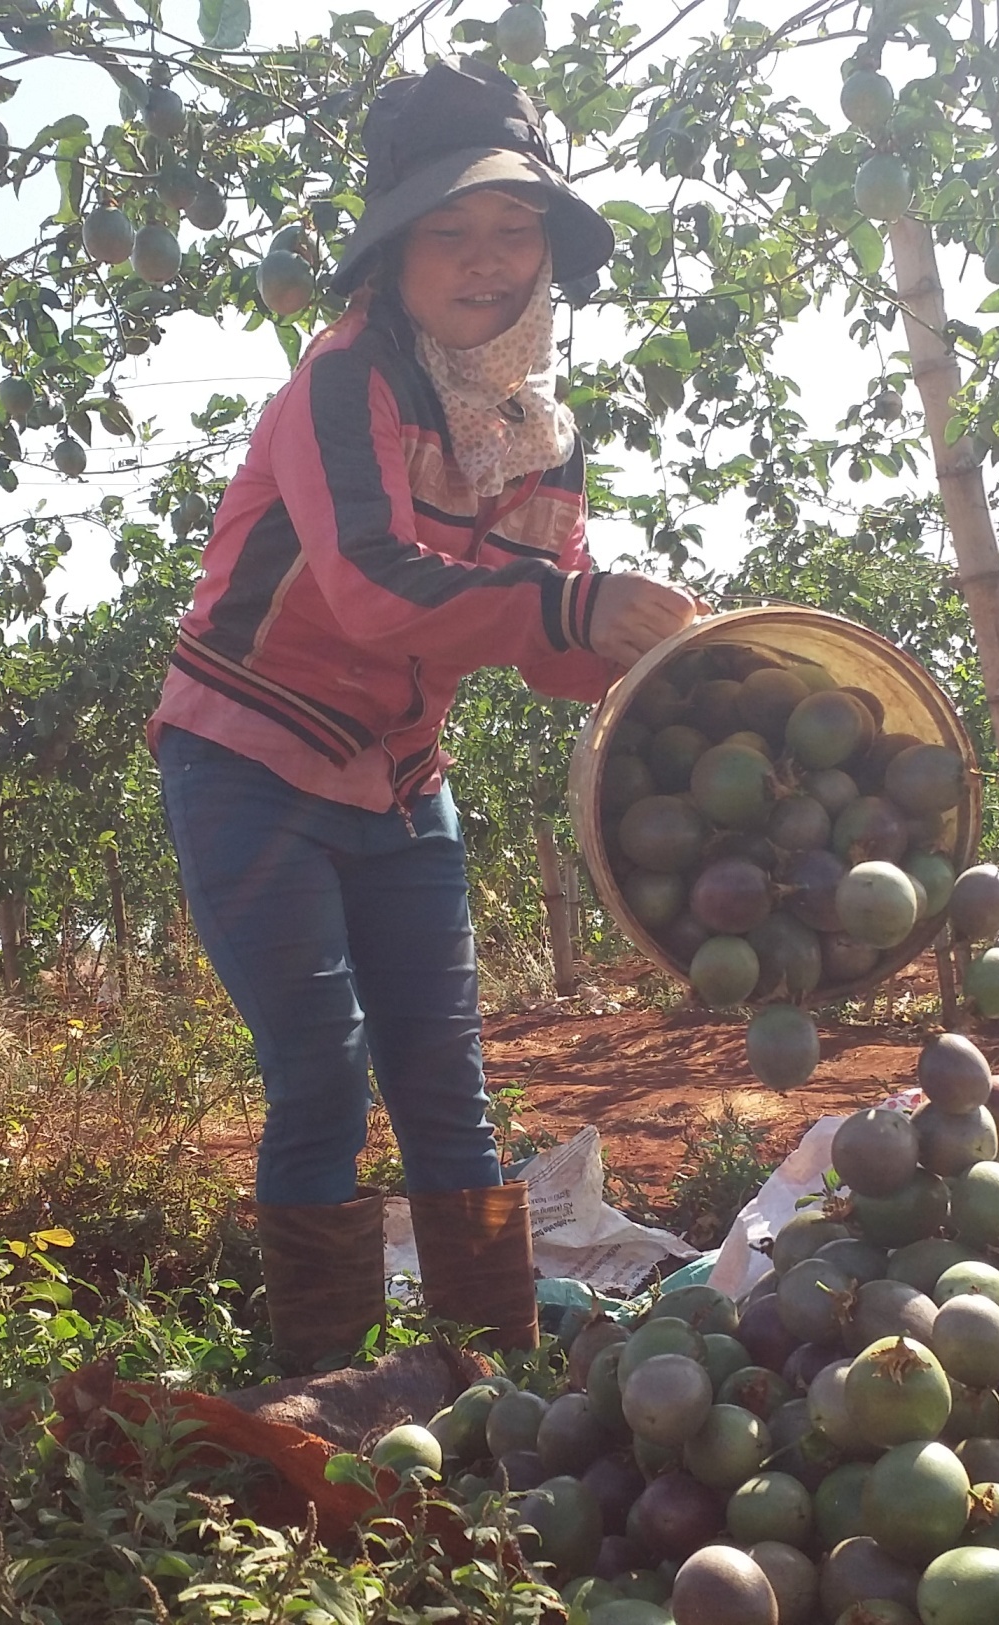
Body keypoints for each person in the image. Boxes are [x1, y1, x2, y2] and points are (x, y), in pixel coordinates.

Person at [148, 61, 698, 1369]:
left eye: (516, 231)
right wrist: (572, 612)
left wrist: (651, 650)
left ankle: (486, 1391)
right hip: (250, 759)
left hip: (400, 782)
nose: (487, 260)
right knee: (324, 1078)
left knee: (452, 1092)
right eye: (450, 232)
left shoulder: (535, 427)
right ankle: (326, 1399)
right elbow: (376, 585)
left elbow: (549, 630)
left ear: (550, 252)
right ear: (392, 256)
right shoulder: (344, 383)